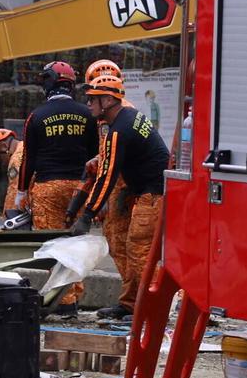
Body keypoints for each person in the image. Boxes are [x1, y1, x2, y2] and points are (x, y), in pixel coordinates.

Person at [72, 75, 169, 321]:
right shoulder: (126, 118)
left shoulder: (119, 130)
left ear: (108, 100)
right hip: (146, 190)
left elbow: (107, 177)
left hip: (154, 194)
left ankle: (153, 311)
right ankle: (130, 305)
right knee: (130, 247)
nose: (89, 105)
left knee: (140, 251)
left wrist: (86, 215)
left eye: (93, 100)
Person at [17, 61, 99, 318]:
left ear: (49, 82)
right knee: (75, 244)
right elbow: (96, 155)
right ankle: (73, 298)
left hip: (48, 188)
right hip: (80, 188)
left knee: (54, 246)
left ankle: (64, 303)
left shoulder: (37, 115)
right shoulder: (88, 115)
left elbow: (28, 159)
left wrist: (20, 193)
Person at [79, 59, 135, 315]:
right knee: (119, 244)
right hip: (120, 186)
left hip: (124, 188)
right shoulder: (115, 115)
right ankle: (131, 300)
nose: (89, 102)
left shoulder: (118, 118)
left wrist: (90, 208)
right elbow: (111, 154)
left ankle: (133, 303)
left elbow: (116, 160)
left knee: (126, 246)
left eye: (93, 97)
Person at [0, 128, 23, 216]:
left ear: (4, 146)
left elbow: (14, 193)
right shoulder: (25, 146)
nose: (2, 162)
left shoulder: (15, 160)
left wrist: (4, 218)